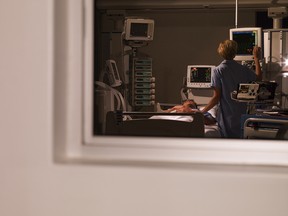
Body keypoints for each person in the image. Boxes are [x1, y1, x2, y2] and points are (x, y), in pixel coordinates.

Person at [200, 40, 262, 138]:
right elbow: (259, 77)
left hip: (226, 117)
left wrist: (201, 112)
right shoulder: (243, 69)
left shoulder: (218, 71)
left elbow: (216, 98)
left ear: (221, 52)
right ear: (235, 52)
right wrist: (256, 58)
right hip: (241, 114)